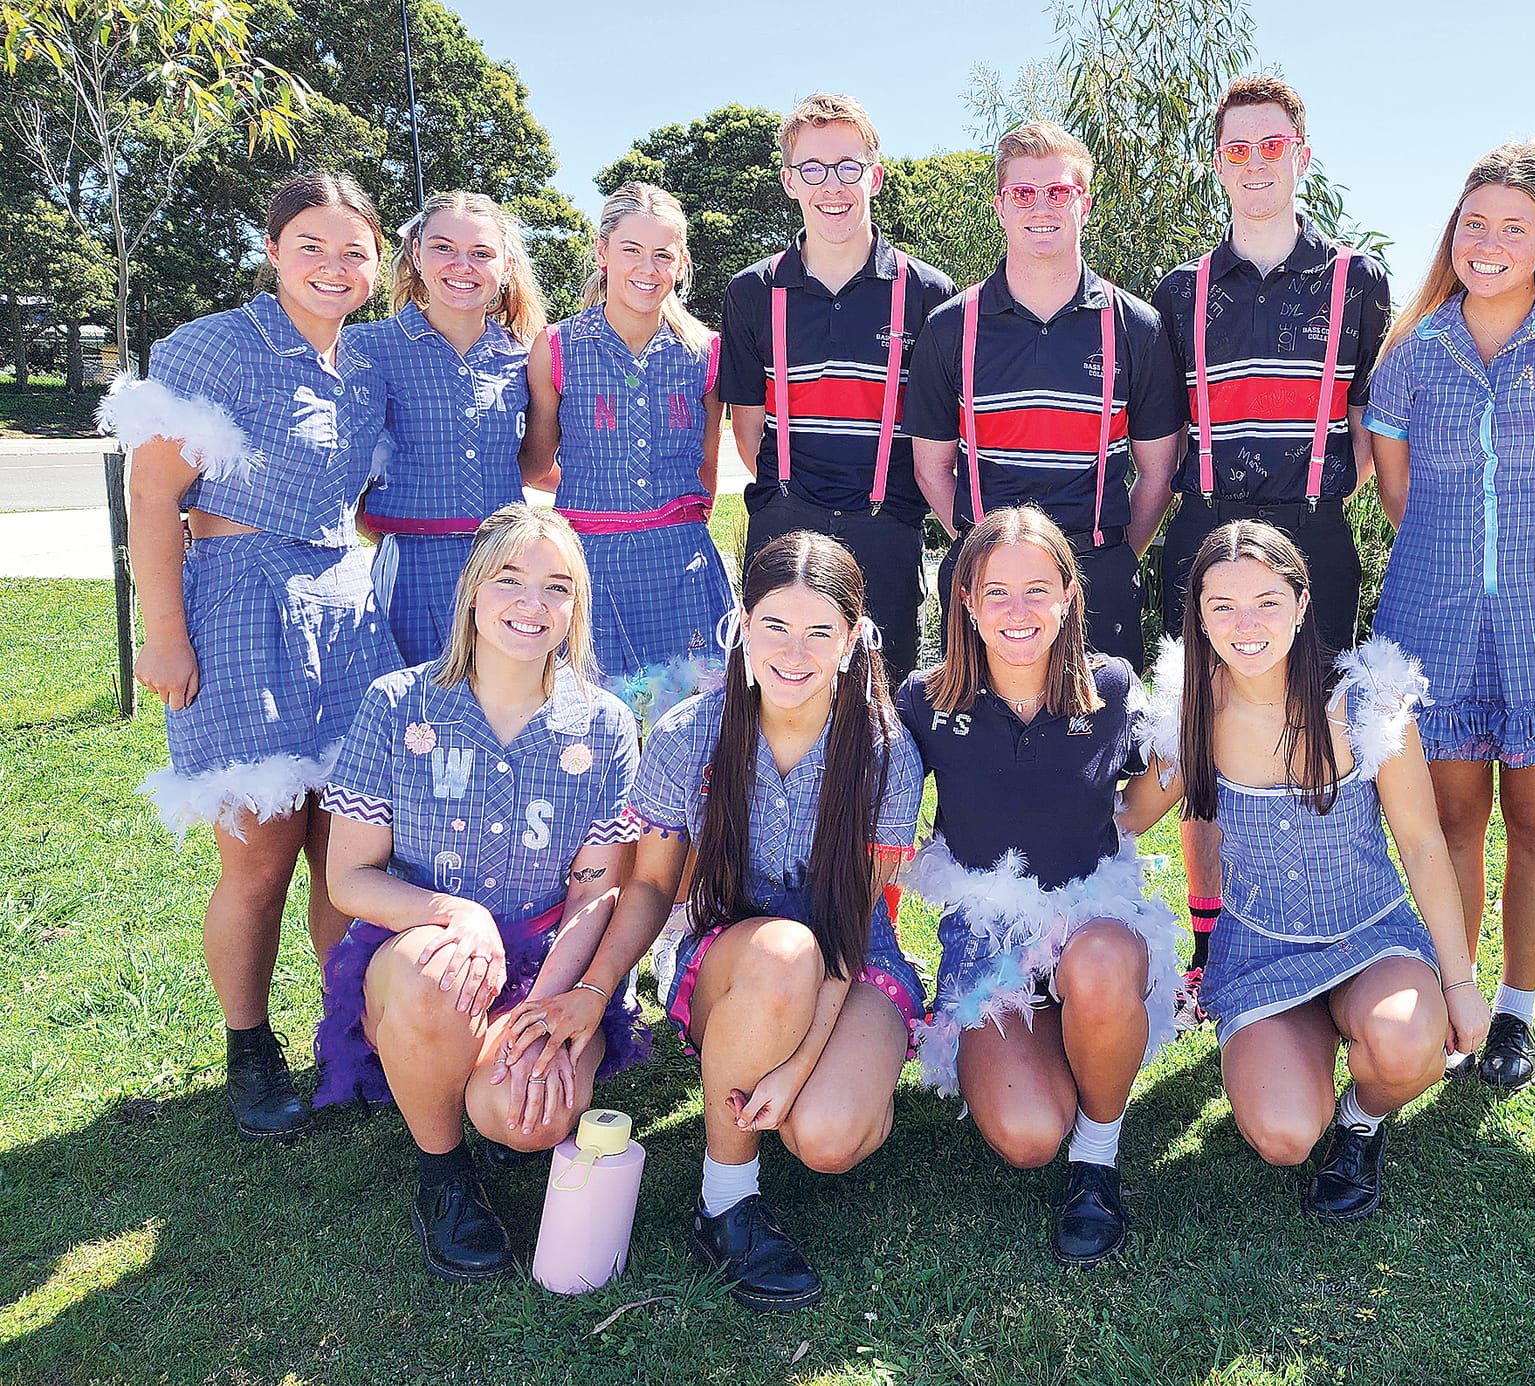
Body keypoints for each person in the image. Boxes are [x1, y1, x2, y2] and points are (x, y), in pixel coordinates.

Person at [507, 531, 924, 1311]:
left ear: (853, 640)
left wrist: (800, 1066)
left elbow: (859, 916)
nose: (794, 653)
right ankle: (725, 1198)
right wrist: (595, 992)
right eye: (774, 626)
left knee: (829, 1141)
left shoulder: (884, 749)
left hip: (849, 958)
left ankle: (822, 1076)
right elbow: (651, 889)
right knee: (782, 952)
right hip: (739, 964)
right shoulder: (689, 732)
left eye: (819, 633)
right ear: (741, 620)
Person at [99, 172, 402, 1142]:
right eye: (311, 245)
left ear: (374, 263)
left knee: (345, 852)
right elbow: (154, 498)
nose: (333, 265)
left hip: (345, 613)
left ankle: (341, 1036)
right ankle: (247, 1044)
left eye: (353, 250)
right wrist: (166, 633)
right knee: (259, 858)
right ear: (273, 250)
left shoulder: (362, 365)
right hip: (236, 607)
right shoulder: (219, 346)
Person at [314, 504, 648, 1282]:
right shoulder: (399, 705)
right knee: (440, 976)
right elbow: (347, 878)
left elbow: (594, 895)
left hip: (546, 960)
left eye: (556, 587)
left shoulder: (602, 724)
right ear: (473, 590)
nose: (532, 604)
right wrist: (450, 913)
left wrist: (546, 1015)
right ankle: (444, 1175)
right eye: (510, 579)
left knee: (529, 1120)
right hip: (425, 951)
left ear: (576, 608)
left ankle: (471, 1077)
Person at [1360, 141, 1535, 1092]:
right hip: (1431, 615)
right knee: (1452, 815)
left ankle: (1516, 1009)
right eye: (1475, 222)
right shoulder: (1415, 348)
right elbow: (1399, 496)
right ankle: (1456, 991)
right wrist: (1459, 559)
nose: (1490, 241)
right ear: (1453, 230)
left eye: (1514, 226)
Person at [1122, 521, 1488, 1222]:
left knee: (1410, 1044)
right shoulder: (1192, 712)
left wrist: (1461, 981)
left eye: (1266, 601)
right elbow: (1126, 820)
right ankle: (1302, 1053)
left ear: (1301, 601)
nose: (1245, 623)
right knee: (1285, 1137)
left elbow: (1422, 844)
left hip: (1369, 937)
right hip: (1260, 948)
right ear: (1197, 616)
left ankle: (1361, 1119)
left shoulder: (1365, 703)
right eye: (1221, 606)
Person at [1150, 75, 1394, 1007]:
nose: (1256, 162)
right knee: (1203, 734)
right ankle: (1215, 932)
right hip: (1206, 531)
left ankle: (1321, 919)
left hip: (1313, 536)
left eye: (1273, 145)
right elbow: (1164, 436)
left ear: (1302, 152)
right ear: (1220, 162)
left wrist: (1315, 504)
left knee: (1316, 727)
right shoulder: (1181, 290)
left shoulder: (1356, 279)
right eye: (1237, 148)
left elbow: (1368, 417)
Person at [895, 506, 1185, 1267]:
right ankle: (1066, 1043)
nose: (1017, 611)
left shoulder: (1111, 688)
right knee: (1027, 1138)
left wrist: (1133, 809)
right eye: (996, 592)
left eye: (1036, 590)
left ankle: (1097, 1157)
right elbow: (879, 811)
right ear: (965, 600)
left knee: (1096, 968)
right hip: (988, 940)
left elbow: (1159, 777)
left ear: (1068, 595)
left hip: (1092, 919)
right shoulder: (926, 700)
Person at [904, 121, 1183, 670]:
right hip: (984, 576)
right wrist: (986, 547)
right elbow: (931, 468)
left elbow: (1159, 471)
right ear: (1000, 206)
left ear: (1084, 203)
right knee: (977, 741)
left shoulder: (1137, 327)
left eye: (1059, 192)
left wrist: (1119, 556)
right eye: (1024, 193)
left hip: (1095, 569)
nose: (1042, 207)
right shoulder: (950, 328)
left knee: (1106, 746)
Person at [719, 93, 956, 685]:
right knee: (774, 699)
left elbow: (937, 433)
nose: (833, 185)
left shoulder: (927, 293)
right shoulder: (753, 293)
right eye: (813, 170)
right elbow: (749, 433)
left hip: (885, 531)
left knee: (877, 715)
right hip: (784, 521)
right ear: (789, 181)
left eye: (849, 167)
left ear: (875, 176)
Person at [521, 182, 734, 723]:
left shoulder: (706, 353)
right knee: (586, 732)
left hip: (681, 564)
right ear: (602, 251)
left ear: (682, 262)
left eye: (664, 253)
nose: (648, 267)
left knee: (696, 730)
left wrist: (668, 516)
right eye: (631, 250)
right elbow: (536, 462)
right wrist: (601, 502)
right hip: (589, 565)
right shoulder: (557, 346)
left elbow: (705, 469)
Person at [351, 190, 545, 664]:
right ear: (416, 255)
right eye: (443, 248)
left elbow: (534, 462)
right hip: (409, 571)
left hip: (506, 567)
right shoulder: (365, 348)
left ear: (505, 267)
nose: (462, 265)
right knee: (415, 717)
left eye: (481, 253)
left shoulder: (528, 357)